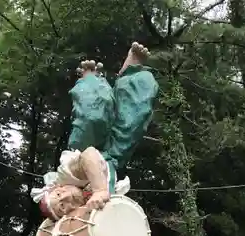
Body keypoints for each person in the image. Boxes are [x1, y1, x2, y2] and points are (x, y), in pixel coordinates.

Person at [31, 42, 159, 220]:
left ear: (57, 188)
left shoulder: (68, 174)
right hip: (112, 158)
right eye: (63, 207)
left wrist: (100, 190)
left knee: (94, 115)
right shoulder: (86, 209)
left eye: (59, 197)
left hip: (88, 144)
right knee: (135, 117)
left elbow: (88, 155)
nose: (67, 199)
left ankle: (90, 79)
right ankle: (131, 73)